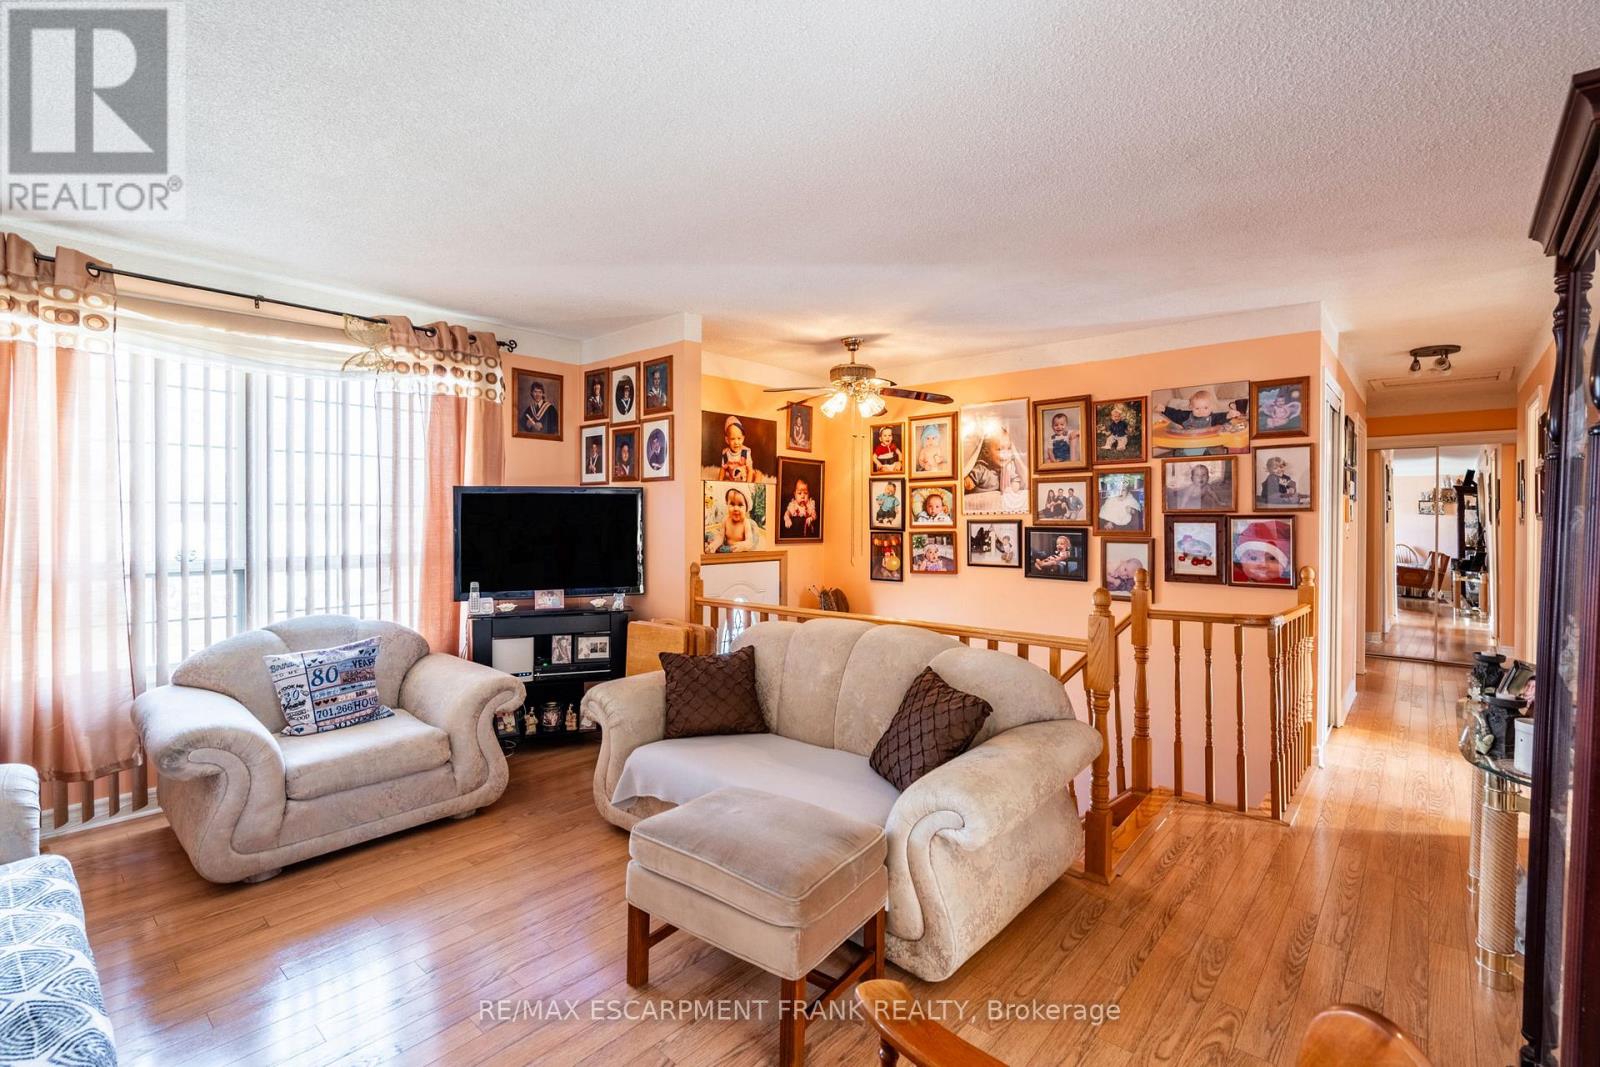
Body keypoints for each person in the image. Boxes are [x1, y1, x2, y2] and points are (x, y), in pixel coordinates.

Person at [1158, 388, 1246, 455]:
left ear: (1211, 408)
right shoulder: (1186, 416)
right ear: (1191, 407)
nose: (1201, 411)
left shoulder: (1212, 418)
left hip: (1207, 446)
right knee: (1178, 453)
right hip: (1188, 444)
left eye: (1205, 408)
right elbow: (1175, 414)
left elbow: (1220, 418)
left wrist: (1229, 415)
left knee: (1215, 451)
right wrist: (1165, 409)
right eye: (1197, 408)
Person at [706, 487, 760, 552]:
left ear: (746, 508)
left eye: (740, 505)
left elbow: (749, 541)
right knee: (712, 537)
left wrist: (744, 545)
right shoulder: (725, 520)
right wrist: (714, 545)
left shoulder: (745, 523)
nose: (736, 508)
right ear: (727, 504)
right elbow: (720, 537)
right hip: (728, 548)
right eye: (732, 504)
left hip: (740, 551)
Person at [719, 415, 753, 481]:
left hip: (745, 479)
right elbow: (723, 469)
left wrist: (748, 484)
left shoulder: (745, 452)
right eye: (732, 439)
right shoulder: (726, 454)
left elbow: (750, 471)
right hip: (733, 480)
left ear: (743, 438)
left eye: (739, 438)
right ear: (727, 440)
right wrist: (719, 481)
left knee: (757, 477)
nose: (736, 442)